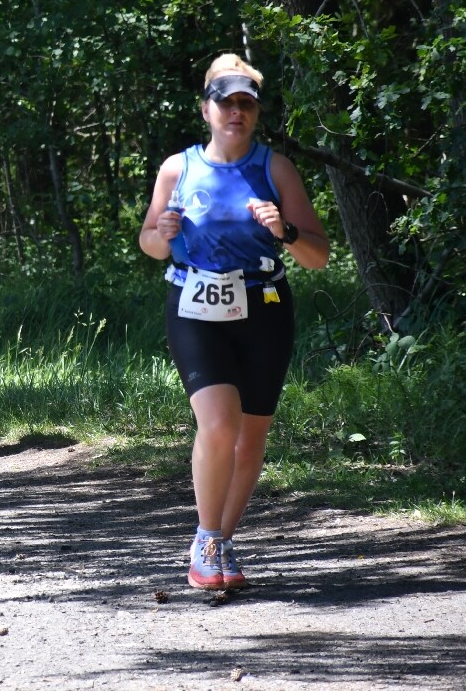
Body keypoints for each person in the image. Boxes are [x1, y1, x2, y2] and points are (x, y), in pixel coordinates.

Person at [138, 53, 329, 590]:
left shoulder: (275, 169)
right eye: (226, 103)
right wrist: (163, 232)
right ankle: (204, 538)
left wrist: (286, 231)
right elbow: (150, 243)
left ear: (256, 113)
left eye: (246, 104)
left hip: (264, 309)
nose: (236, 113)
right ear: (206, 110)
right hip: (194, 307)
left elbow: (319, 255)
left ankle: (221, 538)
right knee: (218, 424)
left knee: (250, 438)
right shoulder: (178, 168)